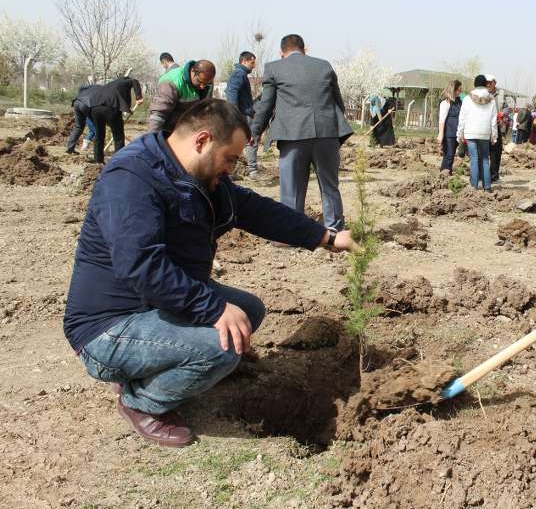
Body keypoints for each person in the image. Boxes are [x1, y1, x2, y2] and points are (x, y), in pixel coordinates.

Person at [63, 99, 357, 447]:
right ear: (202, 141)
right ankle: (141, 403)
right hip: (109, 326)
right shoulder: (131, 179)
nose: (231, 169)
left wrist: (327, 237)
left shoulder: (198, 176)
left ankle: (150, 366)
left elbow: (255, 210)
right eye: (230, 159)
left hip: (150, 306)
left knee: (248, 311)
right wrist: (213, 309)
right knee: (222, 348)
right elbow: (141, 265)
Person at [251, 34, 352, 230]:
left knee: (292, 188)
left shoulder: (274, 68)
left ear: (282, 53)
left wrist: (255, 132)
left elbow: (266, 105)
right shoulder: (324, 65)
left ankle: (292, 232)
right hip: (327, 134)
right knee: (329, 185)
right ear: (305, 49)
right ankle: (334, 230)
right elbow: (338, 102)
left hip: (292, 135)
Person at [88, 75, 144, 163]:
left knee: (99, 135)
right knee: (118, 137)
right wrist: (139, 97)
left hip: (95, 108)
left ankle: (98, 160)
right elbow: (135, 81)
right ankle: (118, 161)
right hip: (110, 108)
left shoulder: (112, 84)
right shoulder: (126, 81)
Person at [148, 60, 216, 133]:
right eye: (200, 82)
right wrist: (153, 138)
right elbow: (158, 114)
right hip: (167, 130)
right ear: (193, 71)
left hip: (186, 129)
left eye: (206, 84)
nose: (202, 87)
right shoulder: (171, 82)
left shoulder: (206, 82)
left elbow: (204, 110)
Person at [456, 75, 498, 191]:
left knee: (474, 159)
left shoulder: (468, 99)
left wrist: (459, 134)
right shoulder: (491, 99)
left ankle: (474, 187)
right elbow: (493, 120)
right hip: (485, 133)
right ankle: (487, 187)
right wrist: (494, 136)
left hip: (470, 133)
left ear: (474, 84)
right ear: (485, 84)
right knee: (485, 159)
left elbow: (462, 118)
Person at [226, 51, 262, 179]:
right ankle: (252, 171)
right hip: (242, 114)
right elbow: (232, 93)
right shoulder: (239, 74)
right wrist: (234, 114)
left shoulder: (240, 74)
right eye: (252, 63)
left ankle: (230, 172)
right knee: (250, 141)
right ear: (244, 61)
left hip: (242, 113)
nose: (254, 66)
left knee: (238, 142)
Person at [437, 79, 463, 173]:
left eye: (460, 90)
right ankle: (445, 174)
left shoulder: (459, 102)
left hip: (456, 133)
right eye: (458, 90)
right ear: (453, 89)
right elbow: (442, 120)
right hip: (449, 133)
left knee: (450, 156)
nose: (460, 92)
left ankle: (445, 173)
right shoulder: (446, 103)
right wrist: (440, 134)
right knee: (449, 155)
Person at [65, 81, 97, 155]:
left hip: (76, 102)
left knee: (78, 127)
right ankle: (97, 151)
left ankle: (70, 149)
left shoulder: (84, 88)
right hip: (86, 103)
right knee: (97, 129)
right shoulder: (95, 89)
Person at [484, 74, 504, 182]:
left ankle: (494, 174)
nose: (488, 85)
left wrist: (502, 114)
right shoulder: (483, 94)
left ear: (494, 83)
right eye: (486, 83)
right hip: (485, 127)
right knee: (484, 151)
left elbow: (507, 107)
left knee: (496, 151)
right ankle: (484, 174)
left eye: (490, 82)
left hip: (497, 126)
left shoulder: (500, 95)